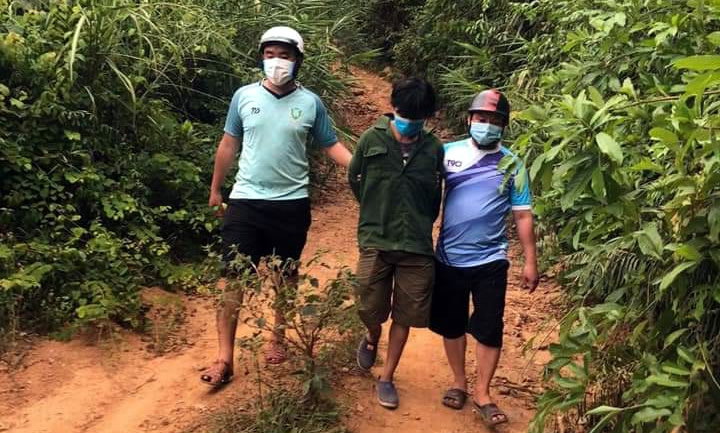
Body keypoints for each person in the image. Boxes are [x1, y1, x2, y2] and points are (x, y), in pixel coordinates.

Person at [200, 26, 352, 387]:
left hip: (291, 203)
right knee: (232, 277)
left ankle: (278, 337)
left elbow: (331, 145)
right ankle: (224, 358)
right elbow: (228, 144)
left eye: (284, 55)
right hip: (246, 200)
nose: (276, 62)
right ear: (261, 58)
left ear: (298, 60)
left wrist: (363, 166)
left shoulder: (310, 103)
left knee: (285, 274)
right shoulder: (244, 97)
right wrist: (216, 189)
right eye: (269, 55)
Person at [429, 89, 539, 425]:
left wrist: (530, 260)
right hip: (448, 257)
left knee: (490, 328)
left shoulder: (513, 164)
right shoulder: (447, 154)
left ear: (503, 126)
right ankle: (459, 382)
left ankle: (483, 393)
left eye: (494, 120)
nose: (487, 125)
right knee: (452, 324)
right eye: (481, 118)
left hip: (491, 259)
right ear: (469, 119)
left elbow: (523, 215)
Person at [348, 77, 444, 409]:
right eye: (404, 115)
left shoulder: (434, 148)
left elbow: (435, 194)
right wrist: (374, 208)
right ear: (393, 107)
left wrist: (422, 220)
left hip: (416, 245)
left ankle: (387, 377)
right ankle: (372, 335)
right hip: (376, 238)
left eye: (417, 118)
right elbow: (354, 177)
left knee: (406, 313)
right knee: (367, 303)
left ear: (426, 117)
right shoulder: (370, 138)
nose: (409, 123)